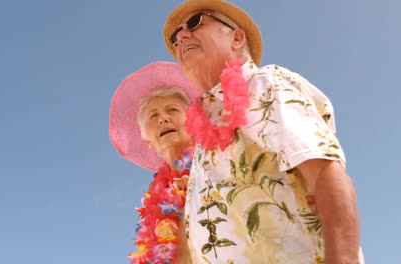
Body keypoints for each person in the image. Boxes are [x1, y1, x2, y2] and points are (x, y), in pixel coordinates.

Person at [162, 0, 364, 263]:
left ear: (236, 37)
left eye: (195, 22)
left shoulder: (262, 84)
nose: (182, 36)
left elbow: (326, 173)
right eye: (176, 38)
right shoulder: (203, 134)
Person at [109, 61, 201, 263]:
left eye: (172, 110)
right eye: (153, 116)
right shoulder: (155, 198)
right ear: (147, 140)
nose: (163, 119)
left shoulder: (215, 164)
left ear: (194, 121)